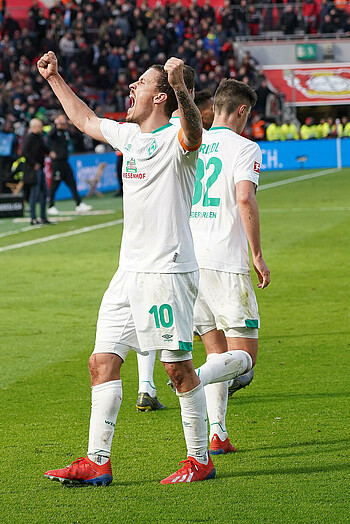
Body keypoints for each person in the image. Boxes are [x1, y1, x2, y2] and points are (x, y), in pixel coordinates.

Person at [38, 51, 215, 485]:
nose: (131, 88)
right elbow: (86, 120)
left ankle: (200, 459)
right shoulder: (131, 137)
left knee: (176, 370)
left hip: (167, 271)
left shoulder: (178, 135)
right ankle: (97, 460)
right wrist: (55, 78)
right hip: (128, 272)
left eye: (140, 83)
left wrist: (179, 87)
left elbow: (193, 130)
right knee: (101, 362)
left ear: (160, 96)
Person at [190, 79, 270, 454]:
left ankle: (217, 433)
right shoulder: (246, 147)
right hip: (225, 260)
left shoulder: (192, 140)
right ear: (242, 110)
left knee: (217, 351)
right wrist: (256, 253)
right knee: (245, 359)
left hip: (190, 261)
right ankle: (191, 379)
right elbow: (244, 198)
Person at [135, 64, 197, 413]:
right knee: (187, 341)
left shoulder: (170, 131)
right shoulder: (167, 131)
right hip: (180, 245)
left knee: (160, 333)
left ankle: (147, 385)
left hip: (169, 245)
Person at [47, 114, 92, 215]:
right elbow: (49, 136)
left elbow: (78, 136)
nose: (63, 121)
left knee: (72, 183)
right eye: (61, 119)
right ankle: (51, 206)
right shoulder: (55, 132)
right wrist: (56, 125)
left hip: (65, 162)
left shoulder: (66, 132)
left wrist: (72, 125)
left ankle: (79, 204)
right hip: (57, 163)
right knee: (54, 185)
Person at [21, 118, 52, 226]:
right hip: (33, 170)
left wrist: (50, 152)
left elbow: (43, 148)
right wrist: (34, 164)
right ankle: (33, 218)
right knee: (34, 194)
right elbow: (24, 152)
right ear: (34, 127)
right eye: (39, 126)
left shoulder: (39, 137)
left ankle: (43, 217)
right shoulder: (29, 138)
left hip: (40, 168)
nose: (41, 128)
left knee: (44, 193)